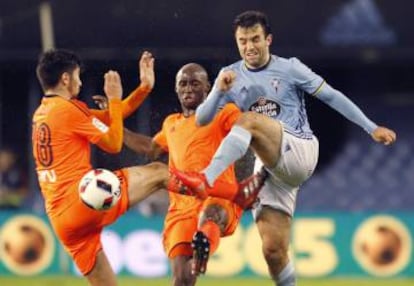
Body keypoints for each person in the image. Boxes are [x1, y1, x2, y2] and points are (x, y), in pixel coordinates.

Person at [172, 10, 397, 286]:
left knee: (248, 121)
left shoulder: (290, 68)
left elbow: (331, 96)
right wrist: (218, 89)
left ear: (268, 39)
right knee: (273, 252)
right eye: (243, 41)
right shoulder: (229, 76)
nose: (249, 46)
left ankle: (205, 178)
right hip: (269, 167)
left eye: (255, 39)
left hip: (300, 149)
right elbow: (202, 119)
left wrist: (370, 127)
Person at [95, 63, 266, 285]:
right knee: (182, 279)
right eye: (183, 84)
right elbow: (149, 148)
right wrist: (113, 120)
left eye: (195, 83)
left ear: (207, 88)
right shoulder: (171, 123)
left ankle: (202, 244)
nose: (188, 89)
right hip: (181, 208)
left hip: (217, 197)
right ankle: (199, 250)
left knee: (211, 216)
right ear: (176, 89)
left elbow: (249, 130)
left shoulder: (225, 113)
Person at [32, 49, 171, 286]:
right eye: (77, 76)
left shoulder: (45, 111)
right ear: (65, 79)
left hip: (61, 218)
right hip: (82, 200)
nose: (80, 81)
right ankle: (212, 198)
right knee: (159, 171)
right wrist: (114, 96)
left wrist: (144, 87)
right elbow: (114, 143)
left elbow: (113, 117)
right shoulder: (68, 109)